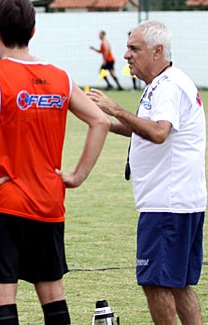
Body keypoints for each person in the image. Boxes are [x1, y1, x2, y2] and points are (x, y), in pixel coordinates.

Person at [0, 0, 109, 324]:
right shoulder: (60, 77)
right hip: (48, 200)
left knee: (2, 295)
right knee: (53, 293)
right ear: (34, 30)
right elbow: (100, 121)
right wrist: (78, 175)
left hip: (3, 202)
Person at [87, 20, 205, 325]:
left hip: (167, 203)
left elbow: (158, 132)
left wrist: (115, 109)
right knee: (178, 284)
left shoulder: (167, 86)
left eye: (133, 48)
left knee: (155, 281)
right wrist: (104, 122)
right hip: (180, 200)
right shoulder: (166, 82)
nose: (126, 55)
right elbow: (145, 128)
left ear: (158, 51)